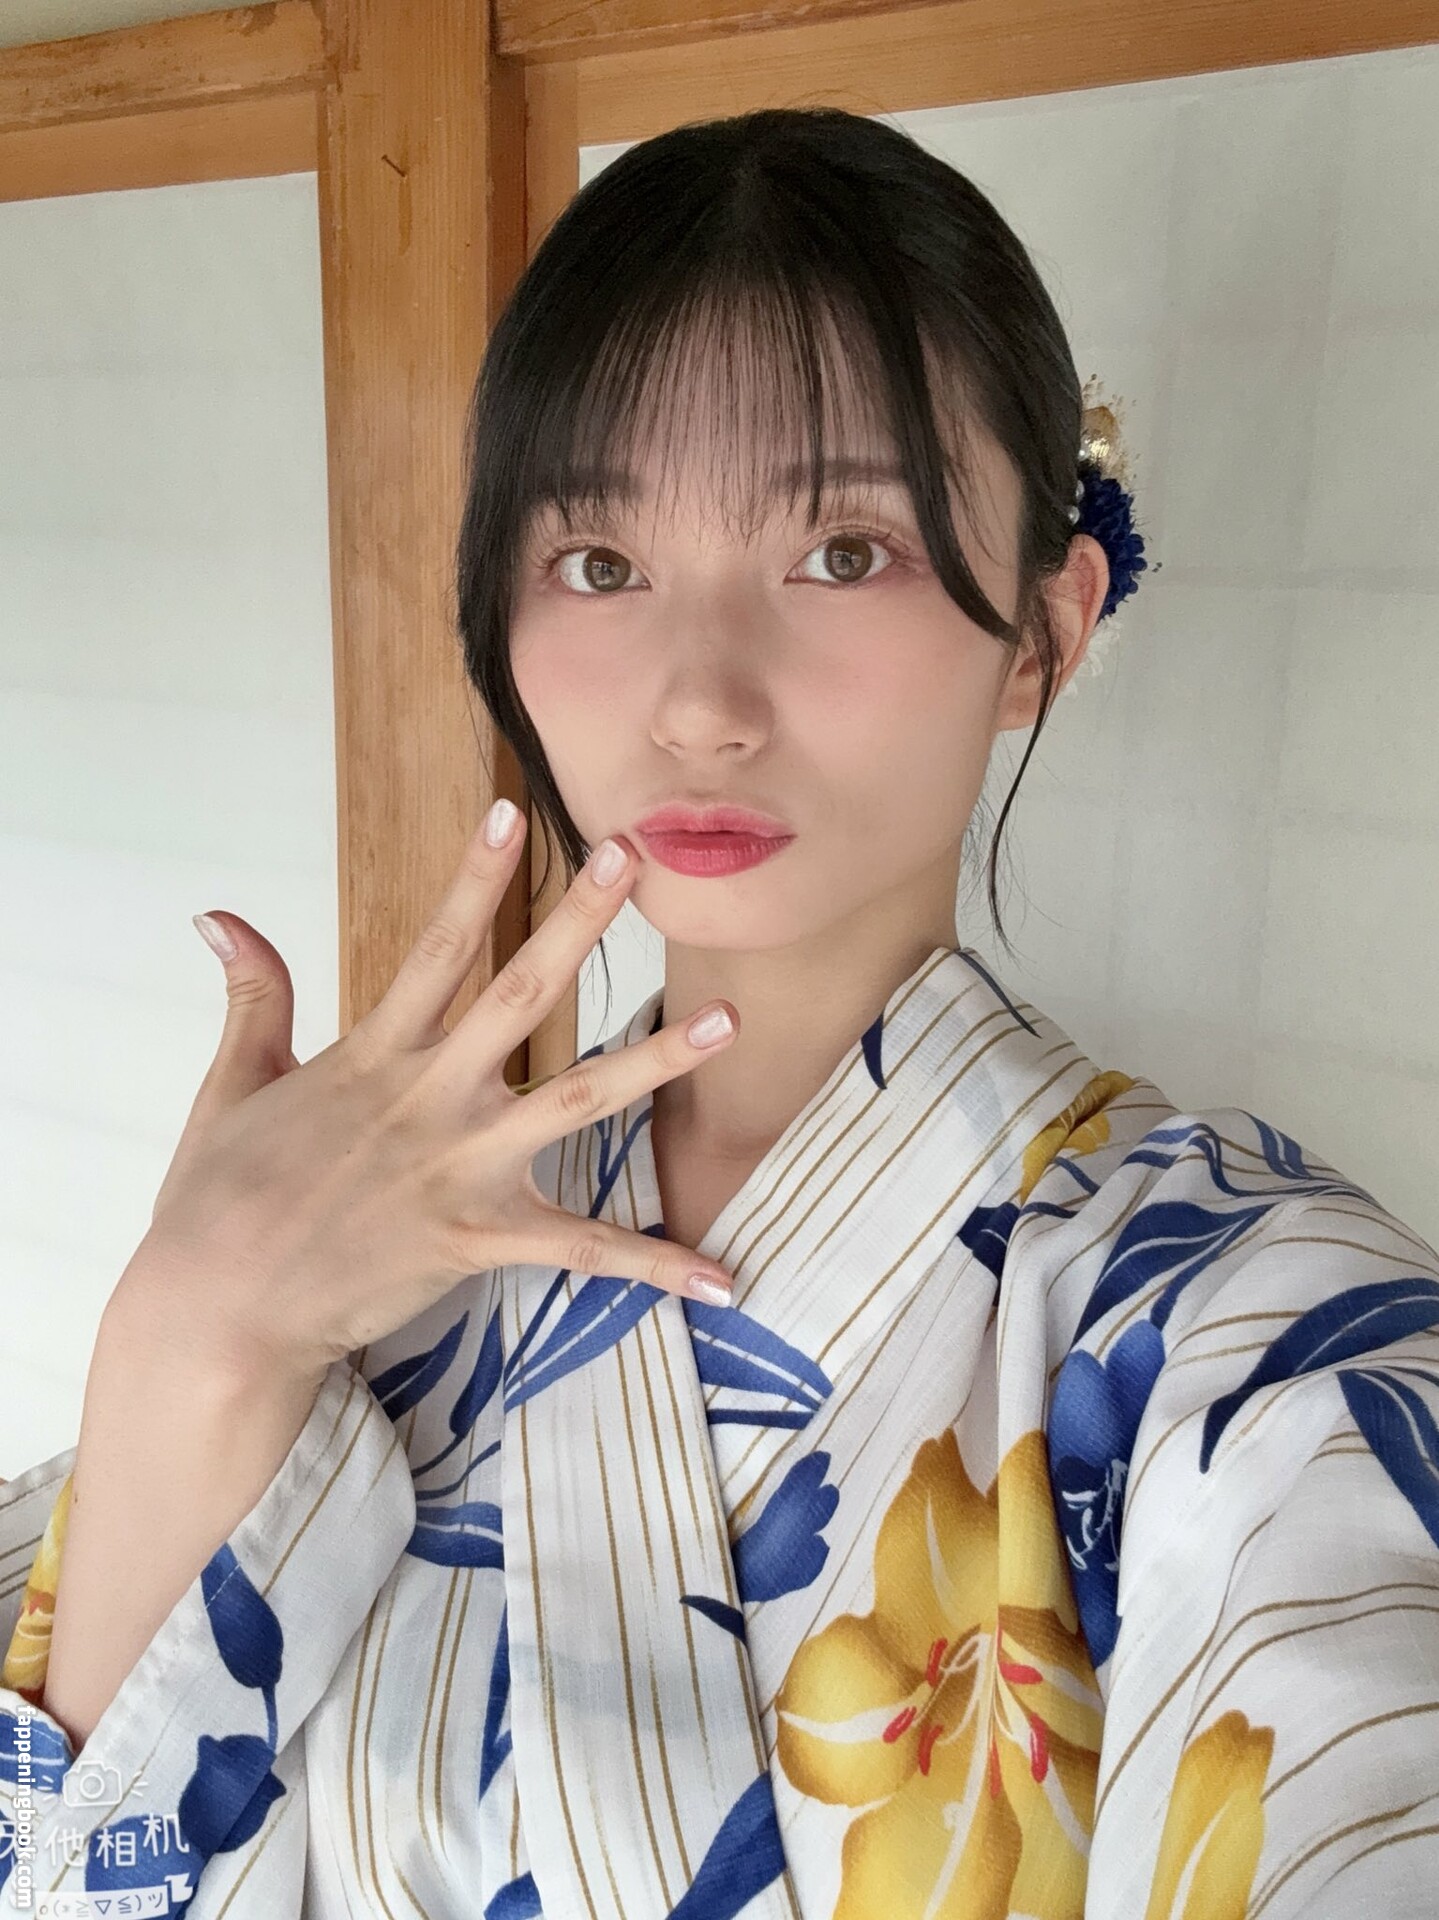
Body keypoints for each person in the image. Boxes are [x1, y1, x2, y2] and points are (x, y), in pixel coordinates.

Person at [2, 103, 1436, 1920]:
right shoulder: (364, 1262)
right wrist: (191, 1332)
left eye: (842, 551)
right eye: (600, 566)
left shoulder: (1260, 1336)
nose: (698, 702)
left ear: (1044, 634)